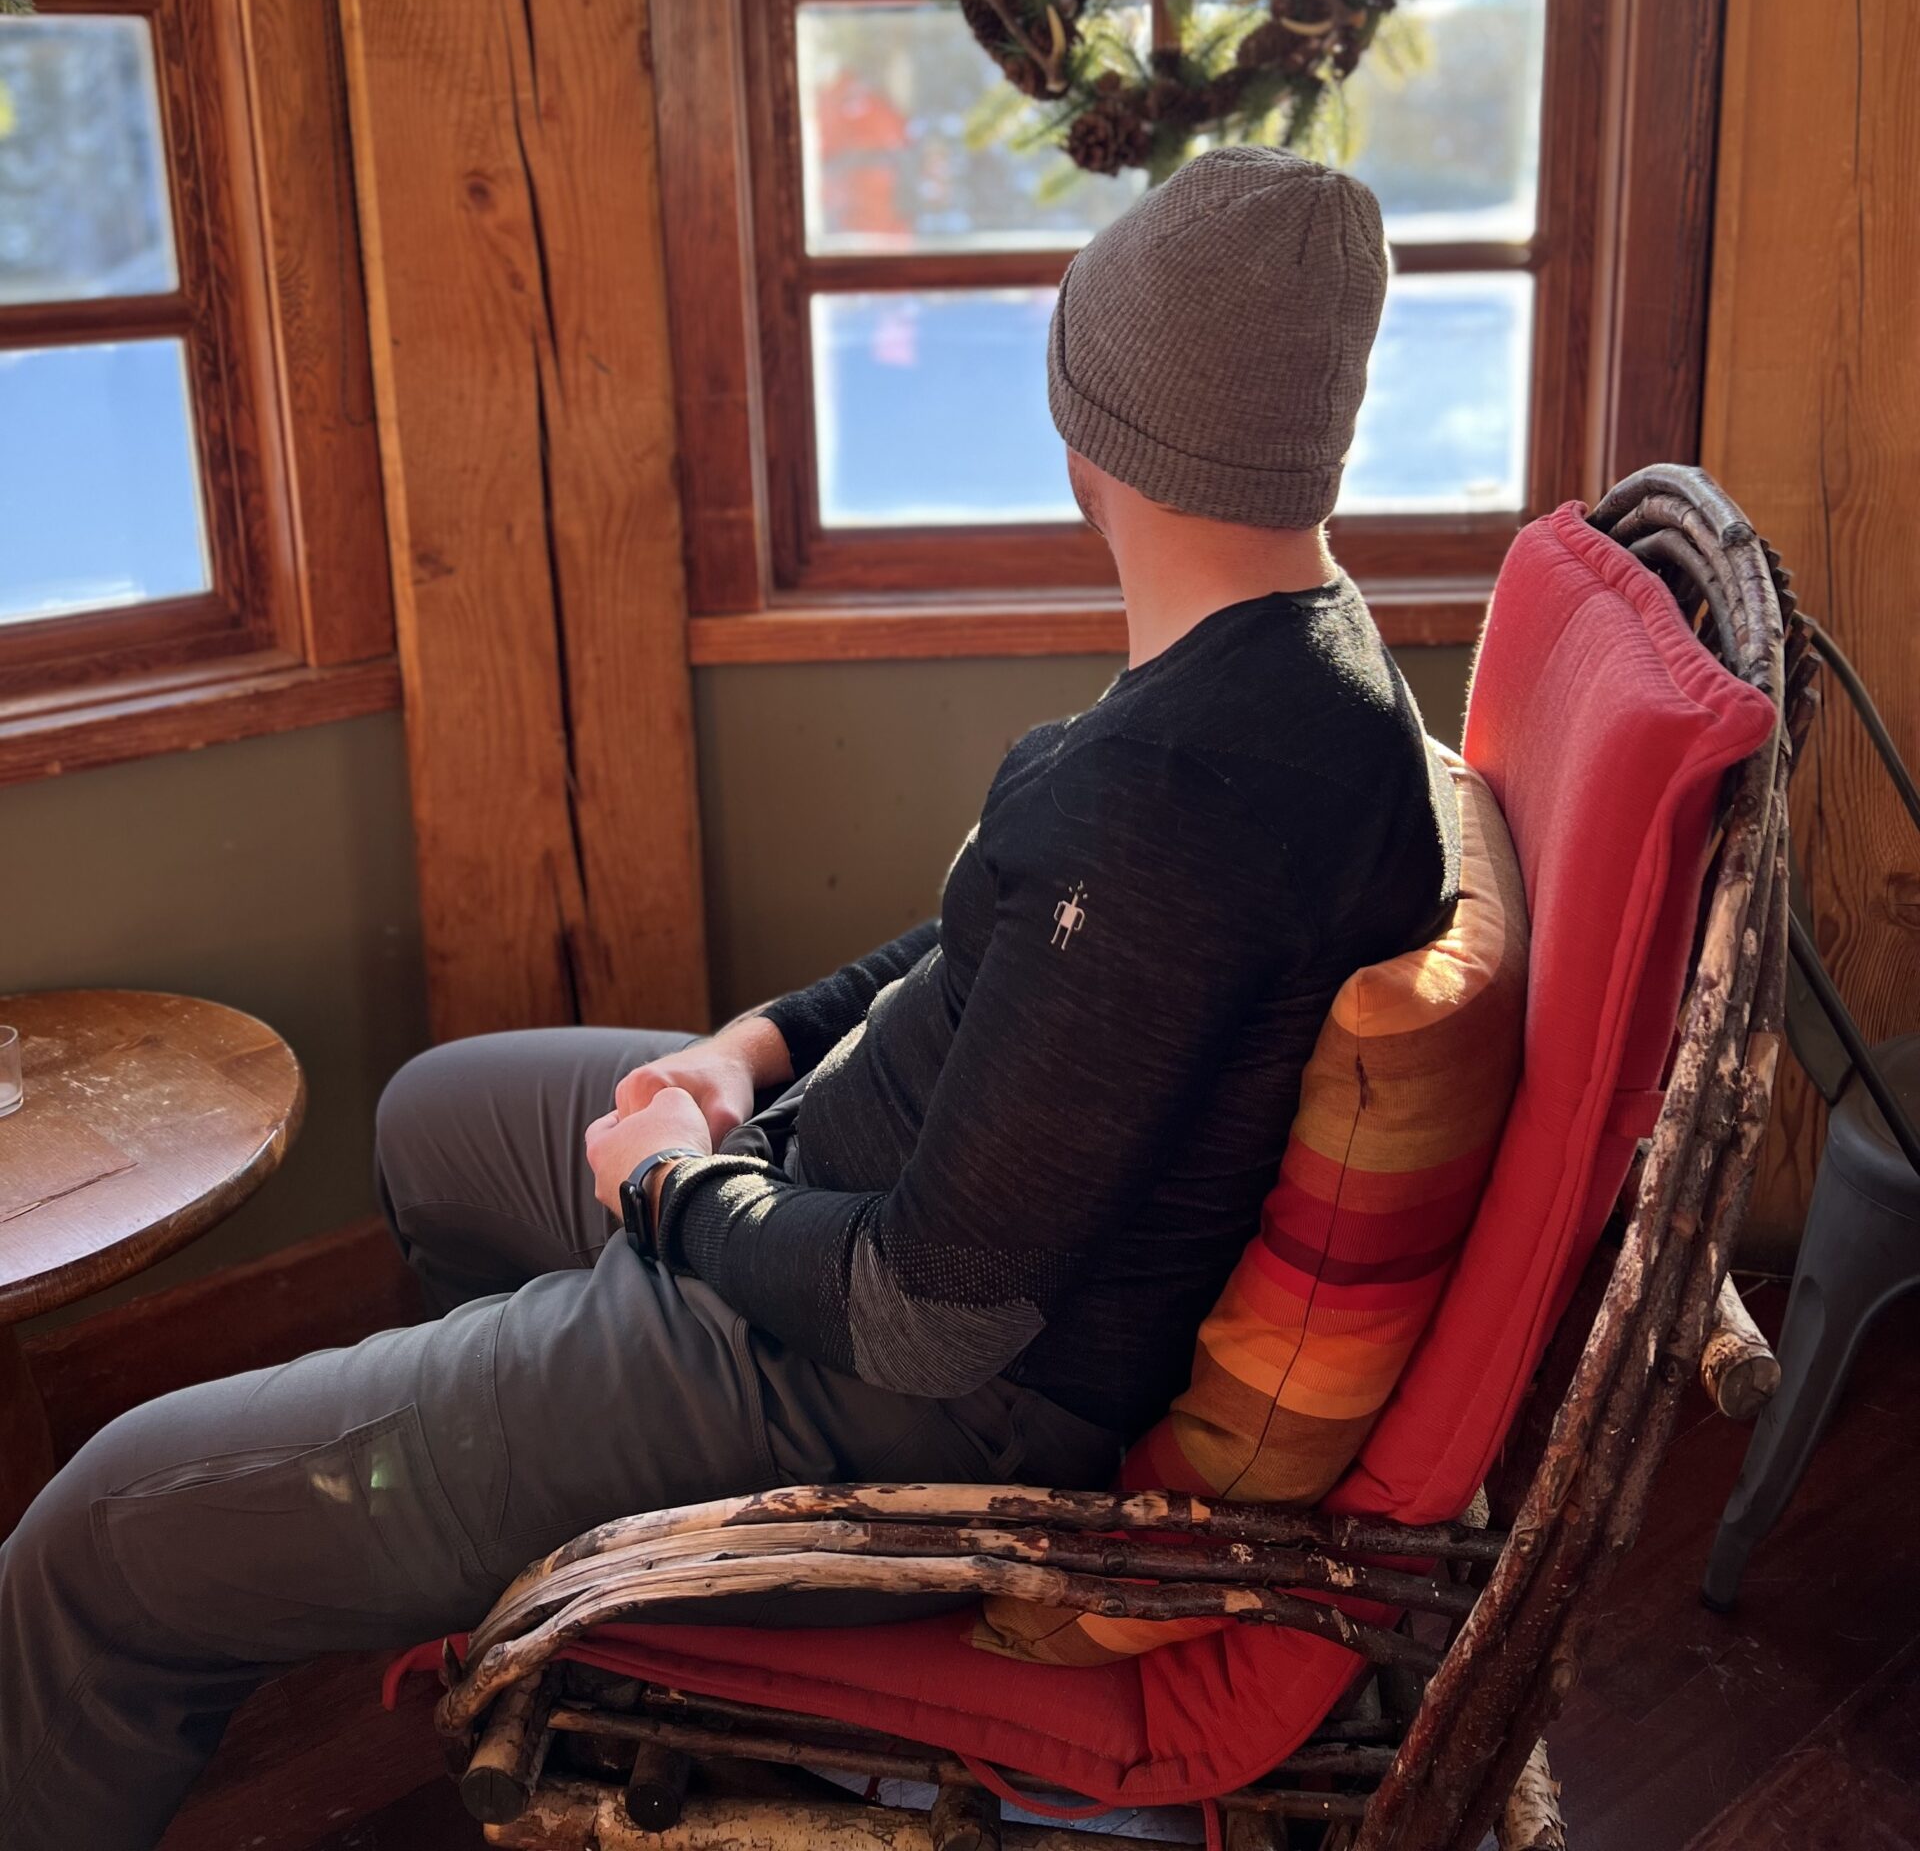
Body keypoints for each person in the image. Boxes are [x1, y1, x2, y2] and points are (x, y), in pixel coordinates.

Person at [0, 148, 1456, 1851]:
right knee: (437, 1120)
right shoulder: (1294, 660)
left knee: (98, 1531)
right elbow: (965, 947)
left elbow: (932, 1314)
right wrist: (740, 1053)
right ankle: (475, 1514)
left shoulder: (1177, 807)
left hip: (869, 1383)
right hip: (821, 1192)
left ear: (1093, 440)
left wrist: (680, 1193)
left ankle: (461, 1493)